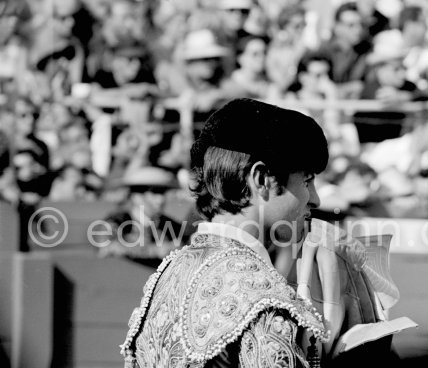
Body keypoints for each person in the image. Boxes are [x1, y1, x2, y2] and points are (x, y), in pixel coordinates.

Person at [120, 99, 401, 367]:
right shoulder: (262, 293)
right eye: (306, 180)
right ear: (262, 179)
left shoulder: (169, 273)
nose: (314, 199)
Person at [96, 166, 188, 266]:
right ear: (137, 196)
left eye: (163, 192)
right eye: (154, 192)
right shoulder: (117, 221)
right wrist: (152, 251)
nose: (161, 199)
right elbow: (106, 248)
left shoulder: (171, 225)